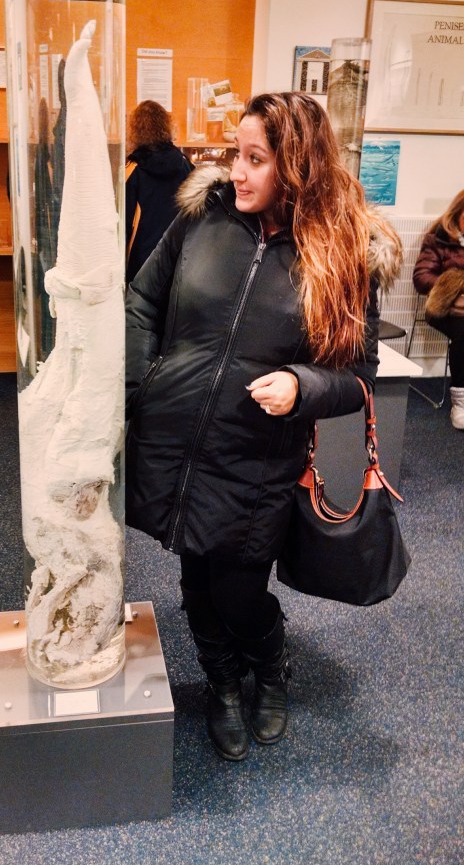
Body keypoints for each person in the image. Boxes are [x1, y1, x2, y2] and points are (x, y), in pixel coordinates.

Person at [125, 92, 402, 762]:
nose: (235, 172)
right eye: (234, 154)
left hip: (257, 454)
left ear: (298, 165)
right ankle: (222, 686)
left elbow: (359, 373)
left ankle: (268, 667)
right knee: (195, 581)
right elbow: (141, 301)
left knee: (241, 587)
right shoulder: (201, 218)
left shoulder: (340, 253)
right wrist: (141, 388)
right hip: (176, 438)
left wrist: (303, 385)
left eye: (255, 159)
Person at [125, 100, 193, 284]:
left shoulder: (133, 171)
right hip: (179, 263)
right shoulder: (184, 164)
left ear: (134, 131)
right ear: (166, 126)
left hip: (141, 268)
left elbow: (121, 227)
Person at [413, 189, 464, 429]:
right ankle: (461, 402)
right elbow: (421, 278)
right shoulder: (439, 238)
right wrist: (454, 285)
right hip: (444, 308)